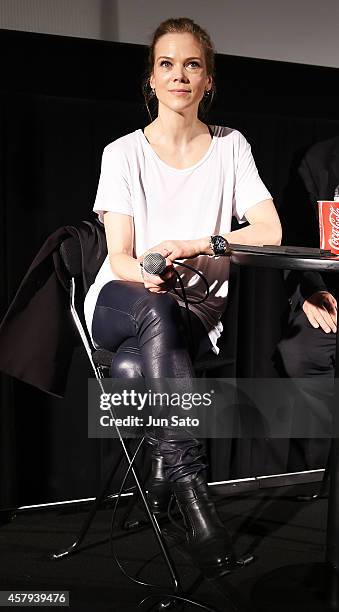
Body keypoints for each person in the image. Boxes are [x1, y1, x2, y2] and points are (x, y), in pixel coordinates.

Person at [84, 17, 281, 577]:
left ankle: (158, 470)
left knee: (129, 372)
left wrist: (199, 244)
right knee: (154, 309)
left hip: (194, 311)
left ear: (208, 79)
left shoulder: (230, 147)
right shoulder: (121, 153)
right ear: (151, 78)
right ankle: (194, 495)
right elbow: (118, 254)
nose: (179, 75)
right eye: (166, 64)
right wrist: (149, 273)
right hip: (124, 298)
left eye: (191, 64)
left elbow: (268, 229)